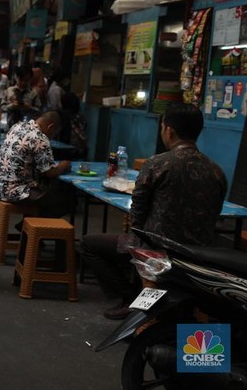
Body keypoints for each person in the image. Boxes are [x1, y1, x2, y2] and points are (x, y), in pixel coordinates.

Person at [81, 103, 227, 320]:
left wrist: (137, 243)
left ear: (169, 130)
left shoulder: (157, 164)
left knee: (88, 244)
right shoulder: (216, 171)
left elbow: (137, 216)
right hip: (199, 252)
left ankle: (131, 300)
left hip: (155, 249)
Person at [0, 111, 72, 219]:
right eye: (54, 134)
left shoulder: (17, 126)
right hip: (16, 191)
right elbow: (50, 173)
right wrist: (64, 165)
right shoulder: (40, 137)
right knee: (67, 202)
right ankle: (29, 230)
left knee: (47, 195)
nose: (52, 137)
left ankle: (28, 228)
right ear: (50, 127)